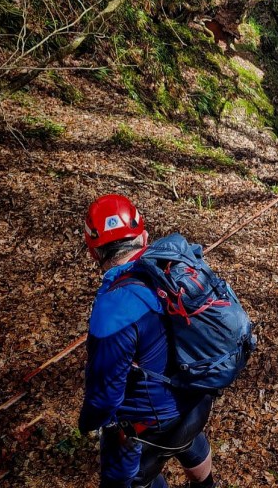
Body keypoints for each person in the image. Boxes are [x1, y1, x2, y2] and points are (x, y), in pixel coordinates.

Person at [80, 194, 218, 488]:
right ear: (143, 238)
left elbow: (104, 399)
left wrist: (87, 422)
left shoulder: (113, 312)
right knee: (186, 437)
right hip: (196, 401)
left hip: (149, 426)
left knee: (122, 477)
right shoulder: (176, 268)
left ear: (94, 252)